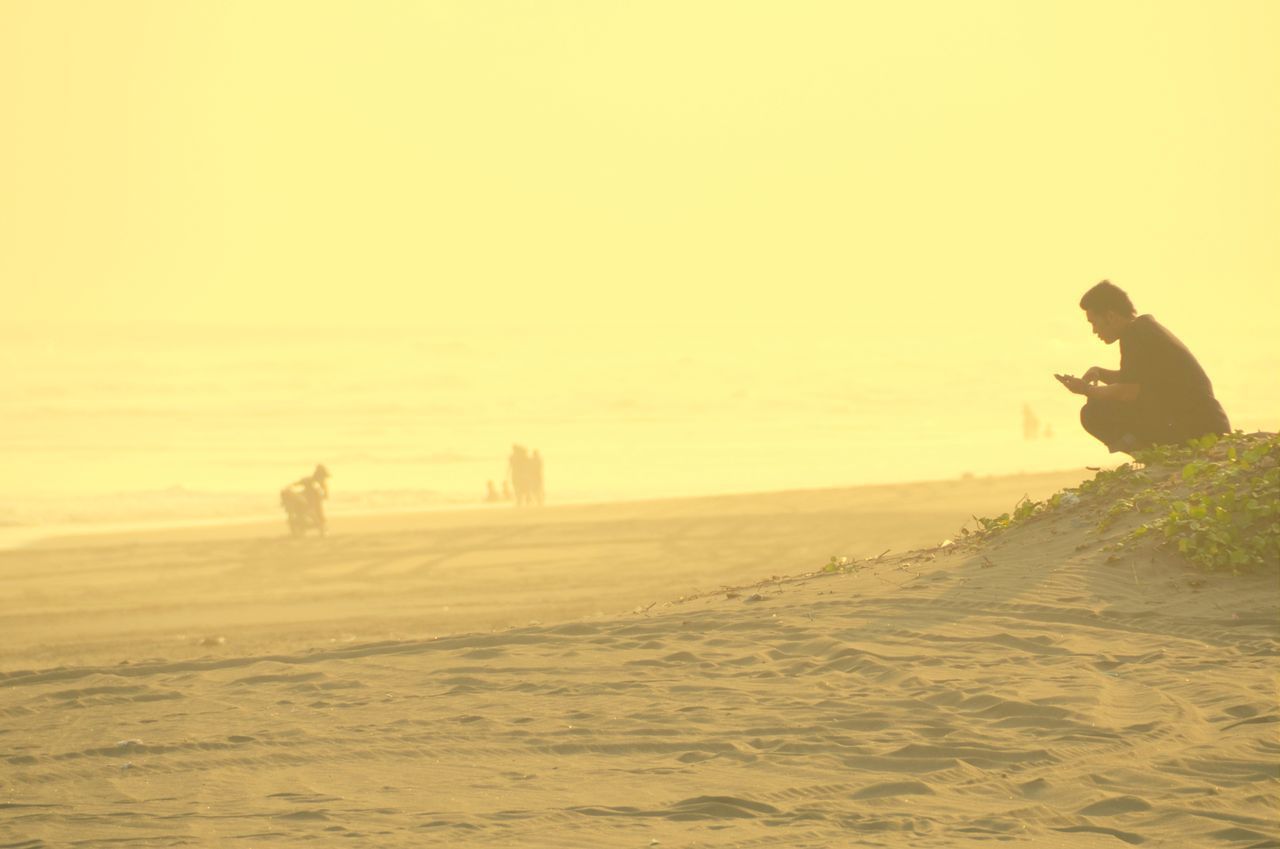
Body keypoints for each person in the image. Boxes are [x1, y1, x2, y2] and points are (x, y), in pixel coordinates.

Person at [1054, 281, 1229, 454]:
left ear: (1110, 317)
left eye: (1094, 323)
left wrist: (1086, 389)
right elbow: (1137, 378)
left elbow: (1128, 392)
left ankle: (1148, 456)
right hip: (1208, 425)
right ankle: (1153, 453)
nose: (1094, 330)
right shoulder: (1144, 328)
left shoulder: (1134, 334)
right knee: (1099, 401)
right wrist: (1099, 372)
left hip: (1198, 430)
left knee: (1093, 412)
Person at [280, 464, 331, 536]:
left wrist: (320, 493)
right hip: (306, 503)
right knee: (314, 516)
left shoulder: (320, 484)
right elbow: (294, 485)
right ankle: (300, 528)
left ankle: (303, 527)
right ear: (319, 476)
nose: (323, 479)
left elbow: (325, 496)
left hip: (312, 503)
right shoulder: (309, 480)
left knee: (319, 519)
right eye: (323, 477)